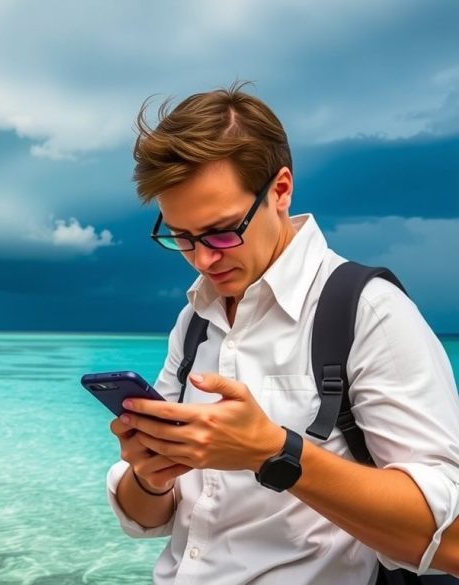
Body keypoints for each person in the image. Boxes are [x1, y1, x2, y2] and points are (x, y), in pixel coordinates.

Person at [107, 83, 459, 583]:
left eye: (222, 231)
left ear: (280, 189)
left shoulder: (369, 310)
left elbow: (452, 540)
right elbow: (150, 519)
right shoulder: (194, 321)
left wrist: (273, 452)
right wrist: (148, 474)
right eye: (182, 237)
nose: (203, 259)